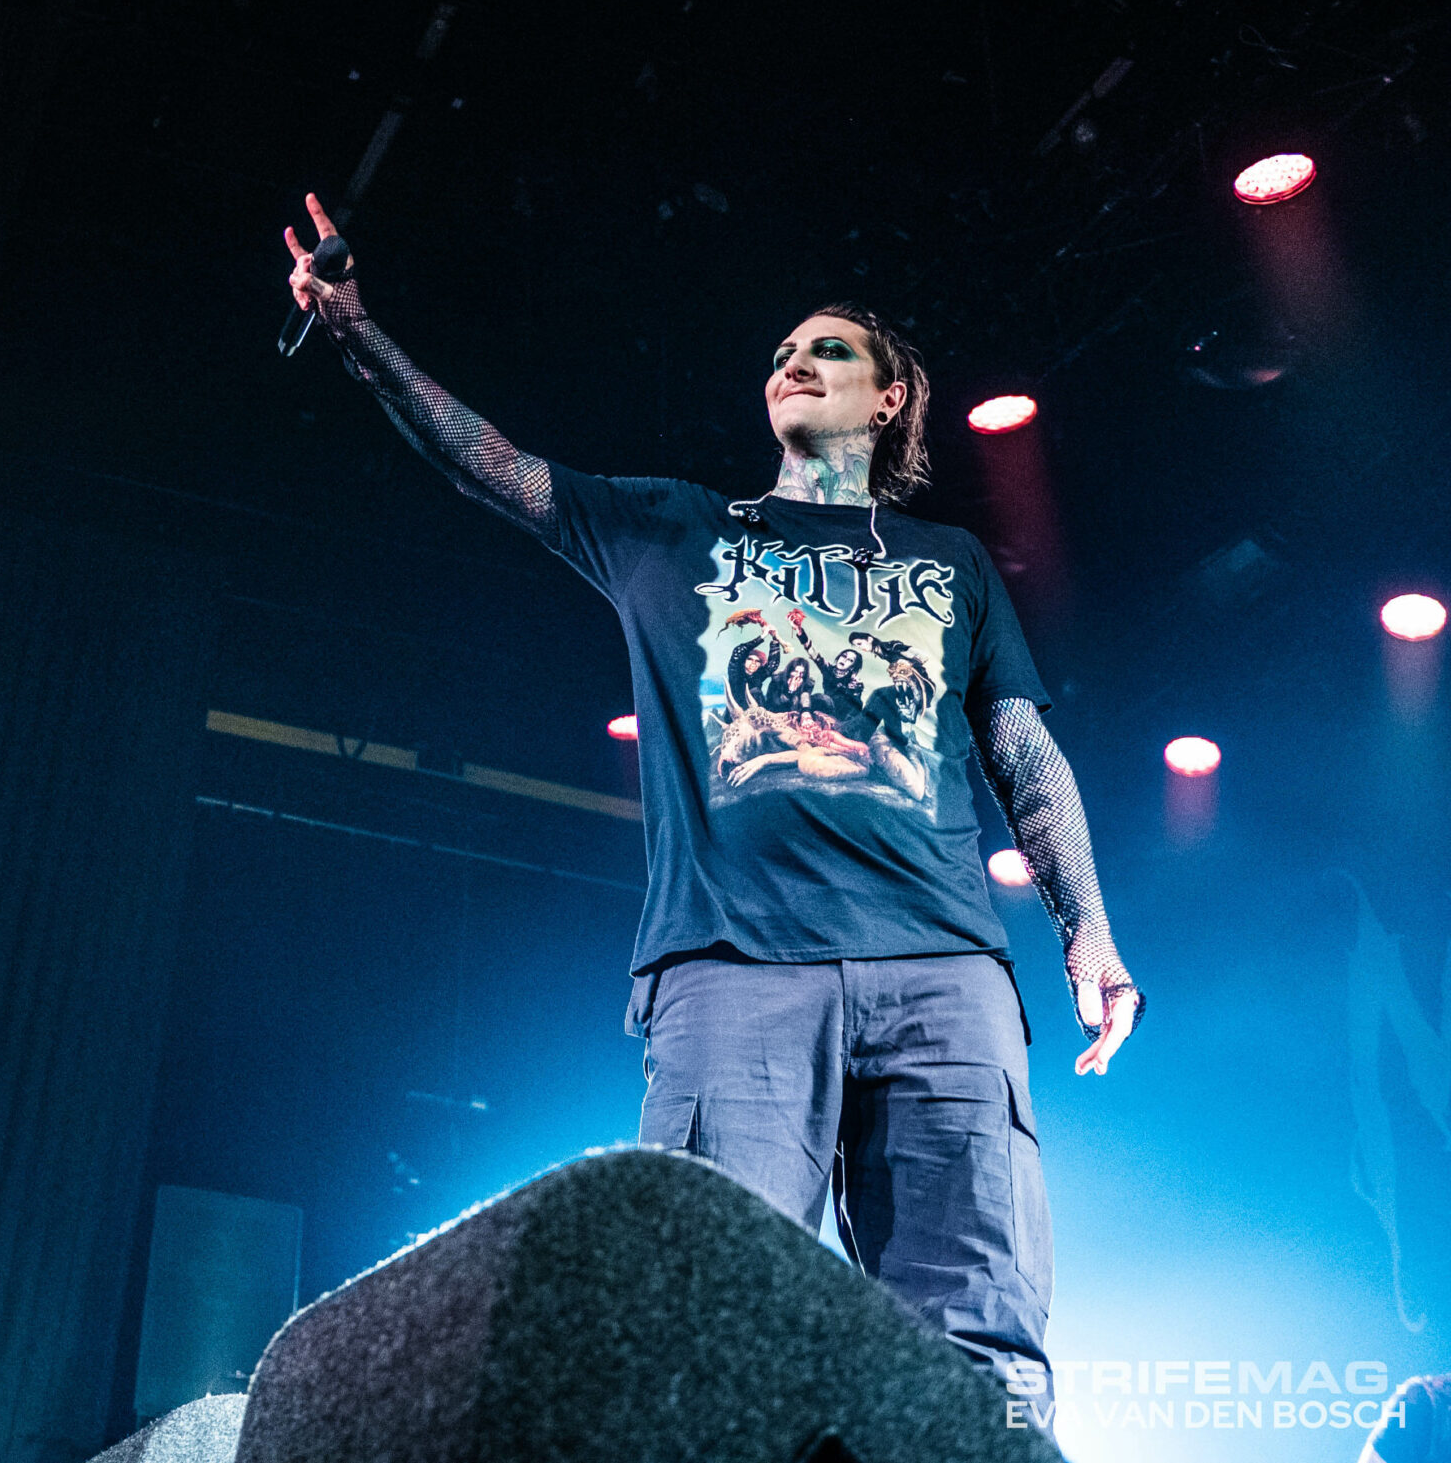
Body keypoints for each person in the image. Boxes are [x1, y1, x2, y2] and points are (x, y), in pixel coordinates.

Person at [283, 195, 1142, 1391]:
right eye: (781, 352)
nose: (793, 362)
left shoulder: (950, 563)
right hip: (735, 967)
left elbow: (1023, 755)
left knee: (977, 1324)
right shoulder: (671, 529)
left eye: (827, 348)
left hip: (944, 970)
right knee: (702, 1318)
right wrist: (353, 326)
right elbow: (490, 464)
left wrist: (1087, 930)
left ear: (889, 397)